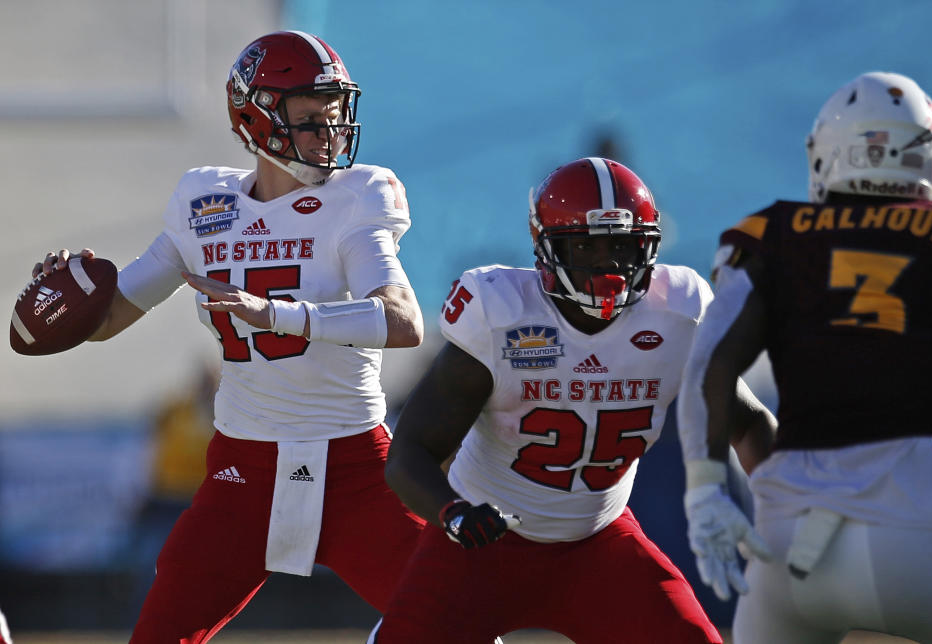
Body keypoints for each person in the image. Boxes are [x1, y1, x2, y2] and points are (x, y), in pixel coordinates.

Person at [32, 31, 426, 642]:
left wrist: (281, 315)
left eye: (334, 112)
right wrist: (68, 294)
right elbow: (111, 320)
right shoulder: (204, 205)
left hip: (358, 470)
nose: (330, 131)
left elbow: (403, 321)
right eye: (309, 117)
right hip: (244, 475)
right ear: (257, 117)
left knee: (462, 624)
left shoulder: (356, 198)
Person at [370, 158, 776, 643]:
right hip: (482, 548)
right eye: (585, 245)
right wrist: (453, 513)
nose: (608, 263)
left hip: (600, 543)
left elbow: (748, 425)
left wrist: (789, 511)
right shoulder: (501, 317)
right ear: (546, 248)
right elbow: (409, 453)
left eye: (624, 246)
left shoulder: (678, 314)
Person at [678, 71, 932, 644]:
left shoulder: (772, 233)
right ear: (927, 157)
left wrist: (705, 489)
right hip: (929, 525)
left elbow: (710, 367)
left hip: (792, 542)